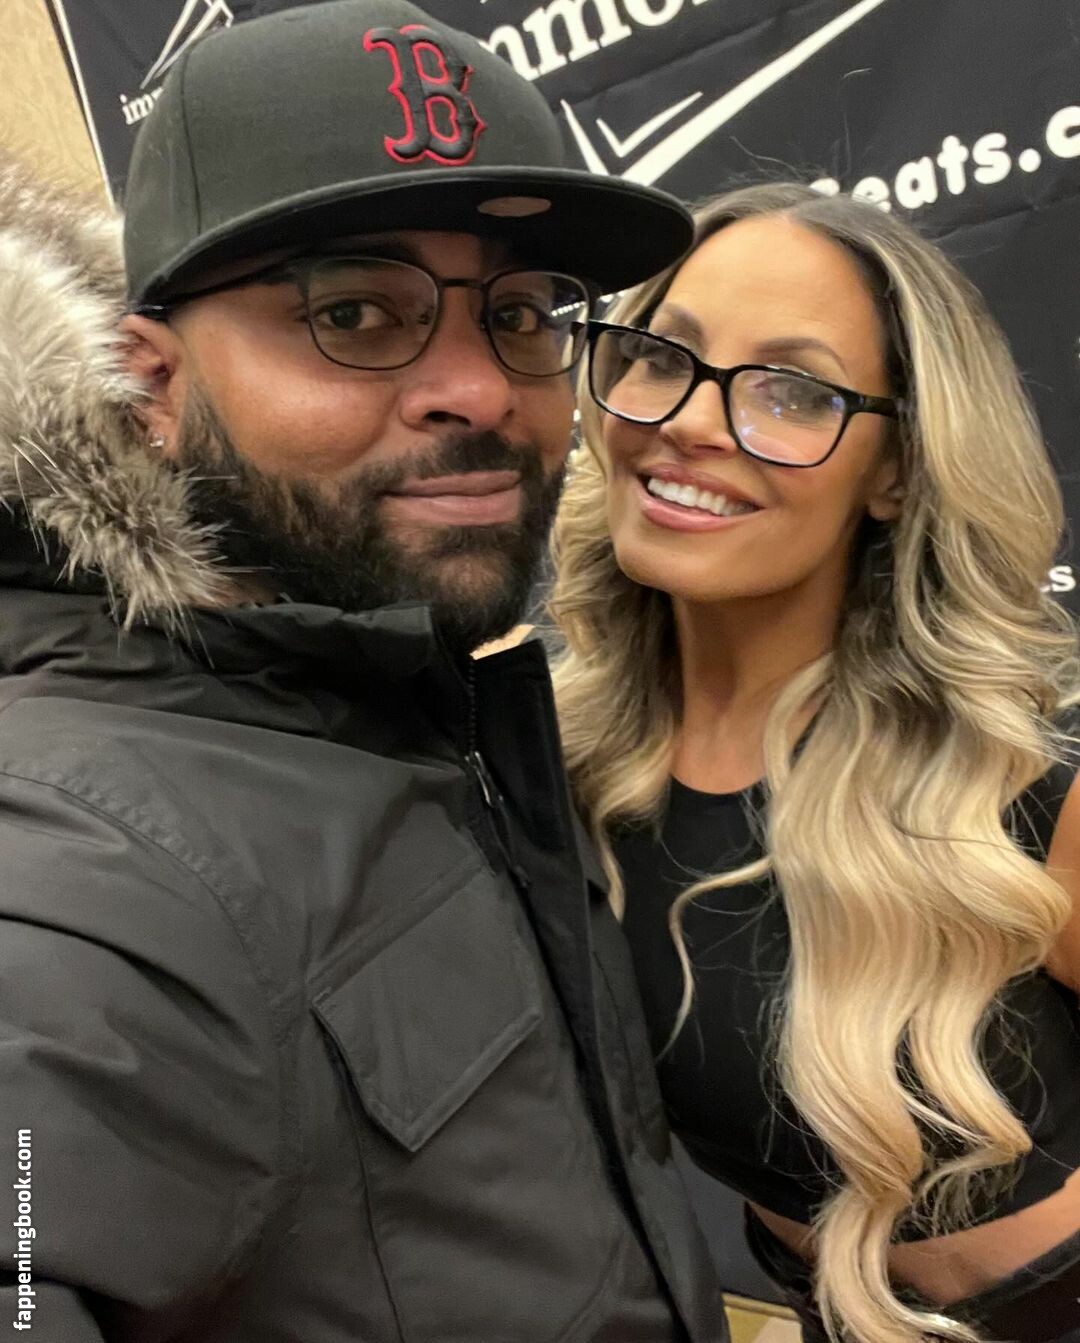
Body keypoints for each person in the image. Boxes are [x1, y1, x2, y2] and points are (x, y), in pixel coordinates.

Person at [0, 2, 732, 1338]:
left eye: (520, 312)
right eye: (352, 311)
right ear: (150, 384)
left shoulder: (421, 695)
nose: (480, 389)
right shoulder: (77, 861)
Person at [550, 181, 1080, 1343]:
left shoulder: (1014, 786)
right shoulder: (564, 759)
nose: (693, 420)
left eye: (793, 390)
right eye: (663, 355)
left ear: (895, 470)